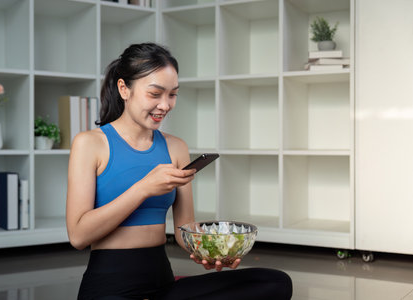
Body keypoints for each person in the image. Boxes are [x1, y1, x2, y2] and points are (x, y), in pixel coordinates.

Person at [66, 42, 292, 300]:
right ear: (123, 89)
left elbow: (185, 230)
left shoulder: (175, 147)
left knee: (274, 282)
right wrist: (143, 189)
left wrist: (210, 253)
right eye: (155, 93)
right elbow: (78, 235)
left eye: (172, 94)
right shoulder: (90, 143)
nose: (165, 105)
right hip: (109, 289)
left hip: (162, 288)